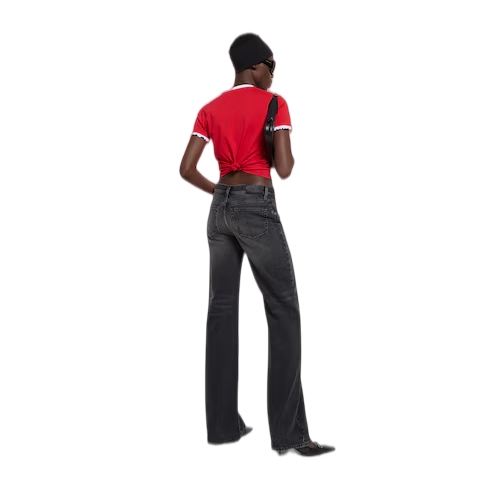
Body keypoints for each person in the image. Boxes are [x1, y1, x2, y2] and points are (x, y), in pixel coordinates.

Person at [179, 33, 335, 456]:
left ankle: (222, 426)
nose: (273, 73)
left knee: (221, 313)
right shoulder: (274, 103)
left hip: (219, 211)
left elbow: (186, 168)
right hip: (256, 205)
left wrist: (219, 192)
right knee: (284, 312)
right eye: (271, 65)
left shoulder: (209, 109)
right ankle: (290, 436)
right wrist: (283, 147)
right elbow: (283, 168)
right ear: (254, 66)